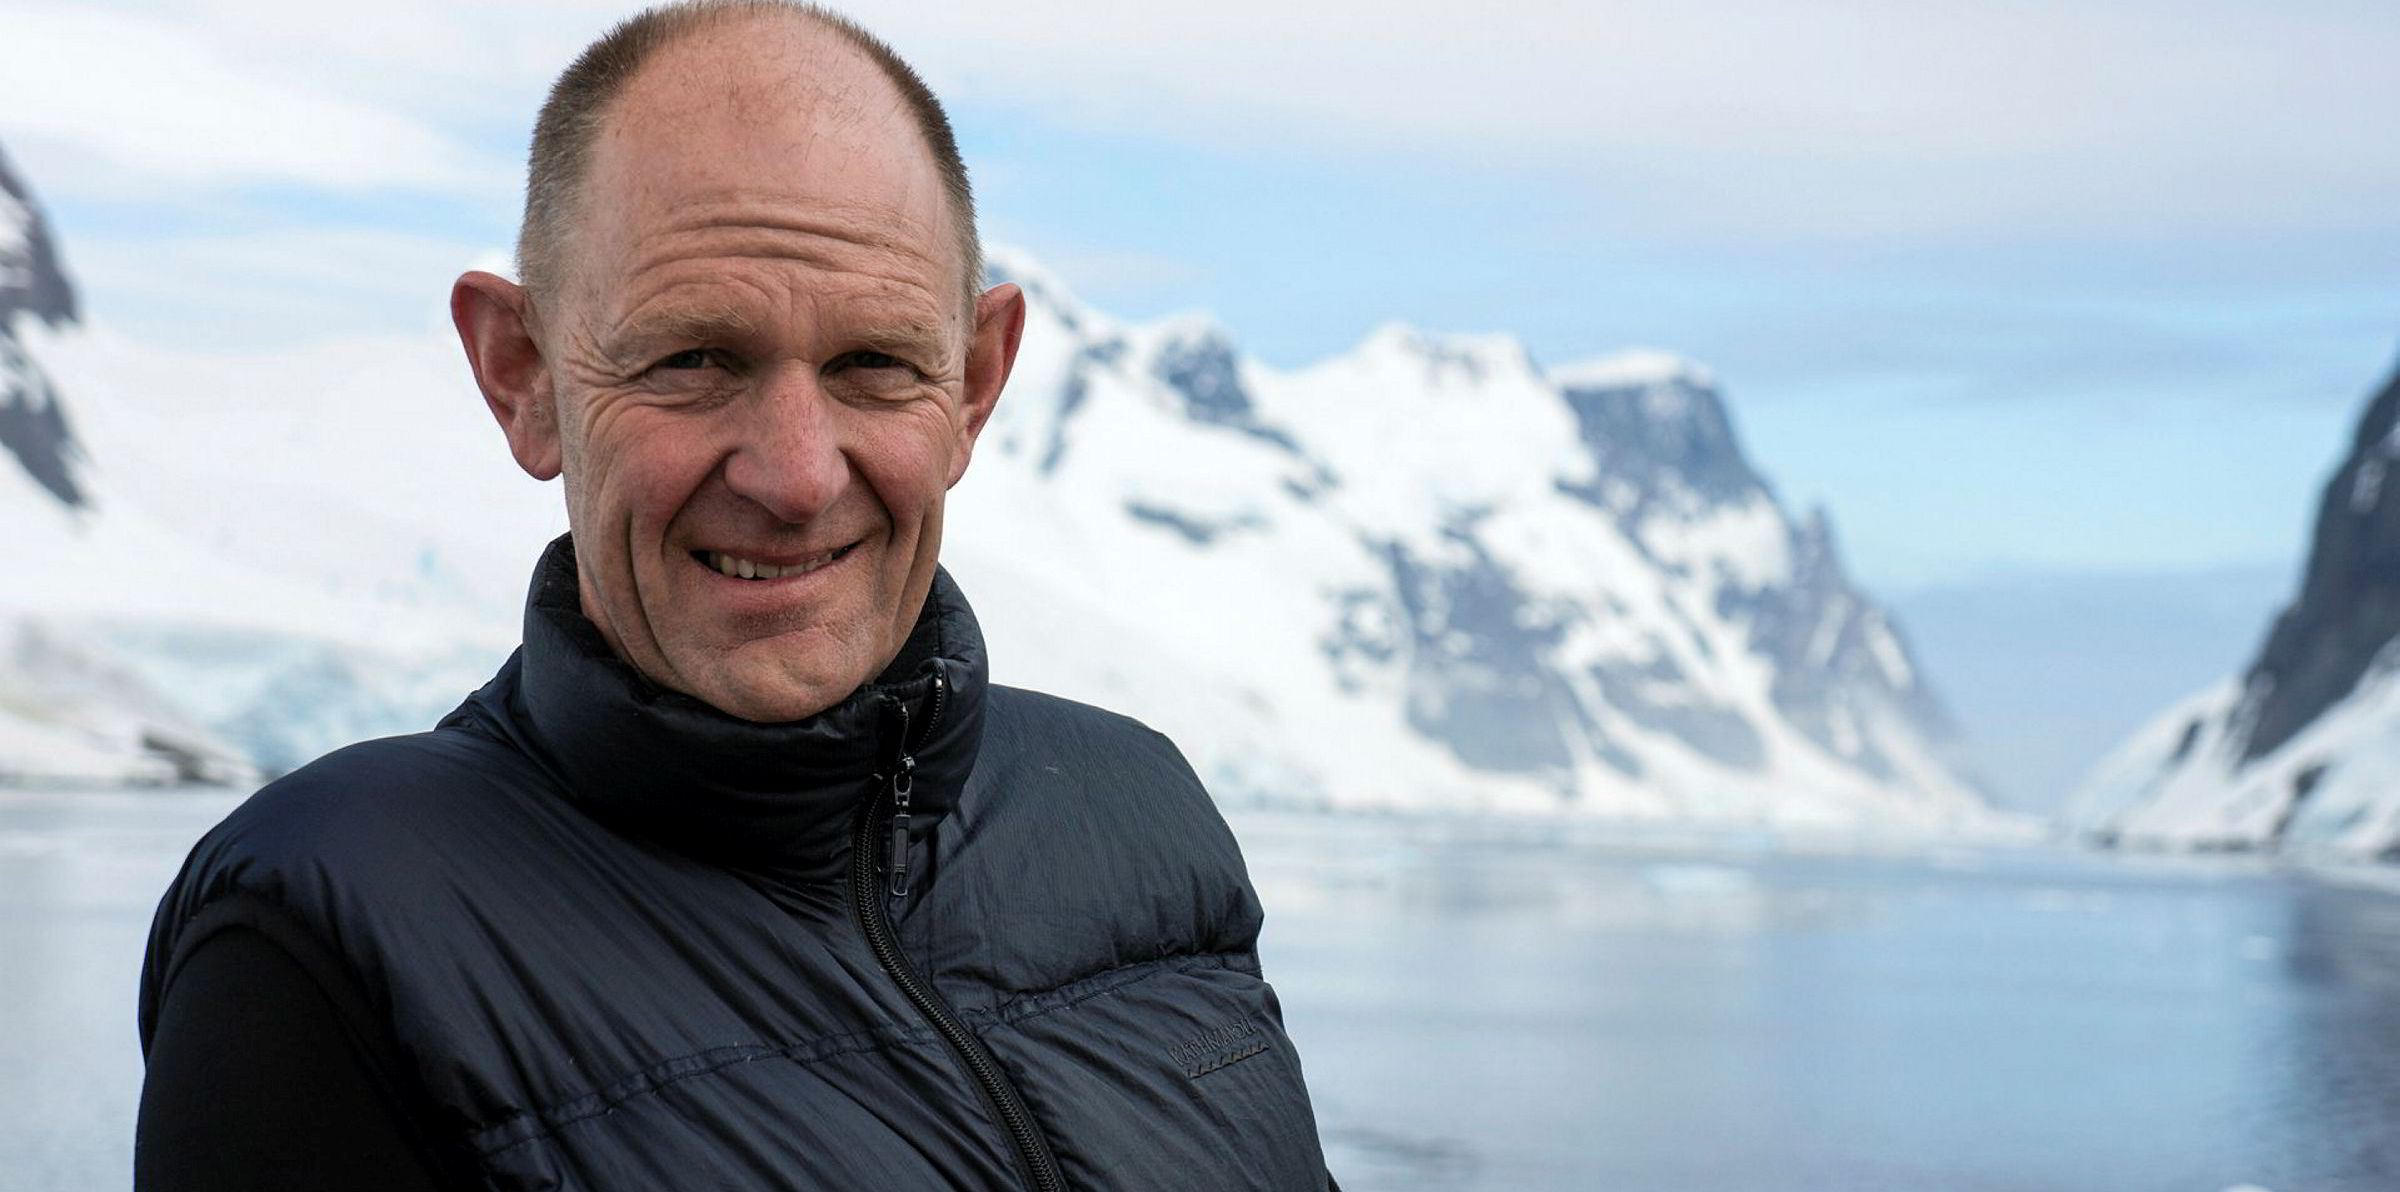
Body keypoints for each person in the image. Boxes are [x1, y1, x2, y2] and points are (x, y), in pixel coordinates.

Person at [132, 3, 1335, 1188]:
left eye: (874, 363)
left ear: (974, 384)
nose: (797, 476)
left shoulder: (1142, 817)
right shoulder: (334, 934)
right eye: (696, 359)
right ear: (523, 375)